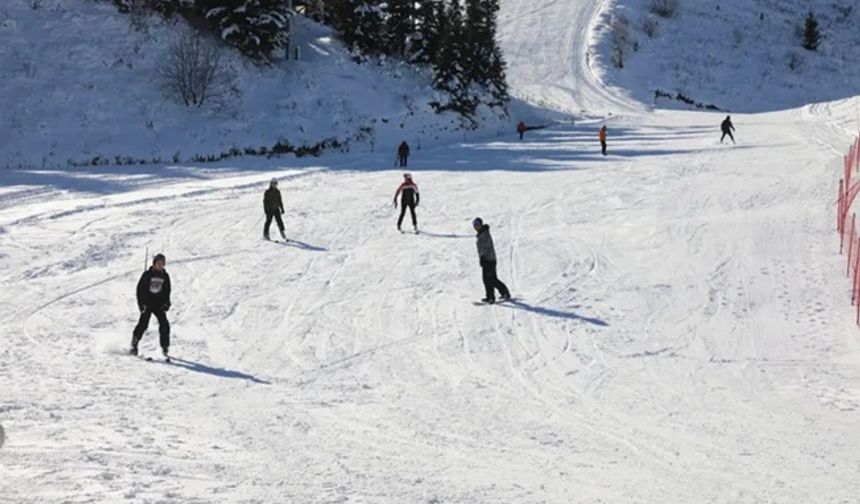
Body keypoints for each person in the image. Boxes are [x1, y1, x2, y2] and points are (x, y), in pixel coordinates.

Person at [131, 253, 172, 359]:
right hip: (147, 303)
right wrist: (141, 304)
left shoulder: (165, 276)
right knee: (143, 324)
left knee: (164, 324)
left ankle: (165, 347)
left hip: (158, 304)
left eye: (162, 264)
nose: (160, 265)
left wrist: (166, 303)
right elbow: (140, 290)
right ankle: (134, 344)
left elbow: (167, 291)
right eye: (158, 263)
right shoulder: (147, 274)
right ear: (154, 264)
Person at [472, 218, 511, 304]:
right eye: (475, 225)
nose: (476, 227)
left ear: (481, 224)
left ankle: (496, 295)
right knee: (488, 279)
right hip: (487, 259)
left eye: (478, 224)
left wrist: (483, 258)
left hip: (489, 260)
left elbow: (486, 247)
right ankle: (494, 295)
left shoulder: (484, 234)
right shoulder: (481, 233)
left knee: (490, 279)